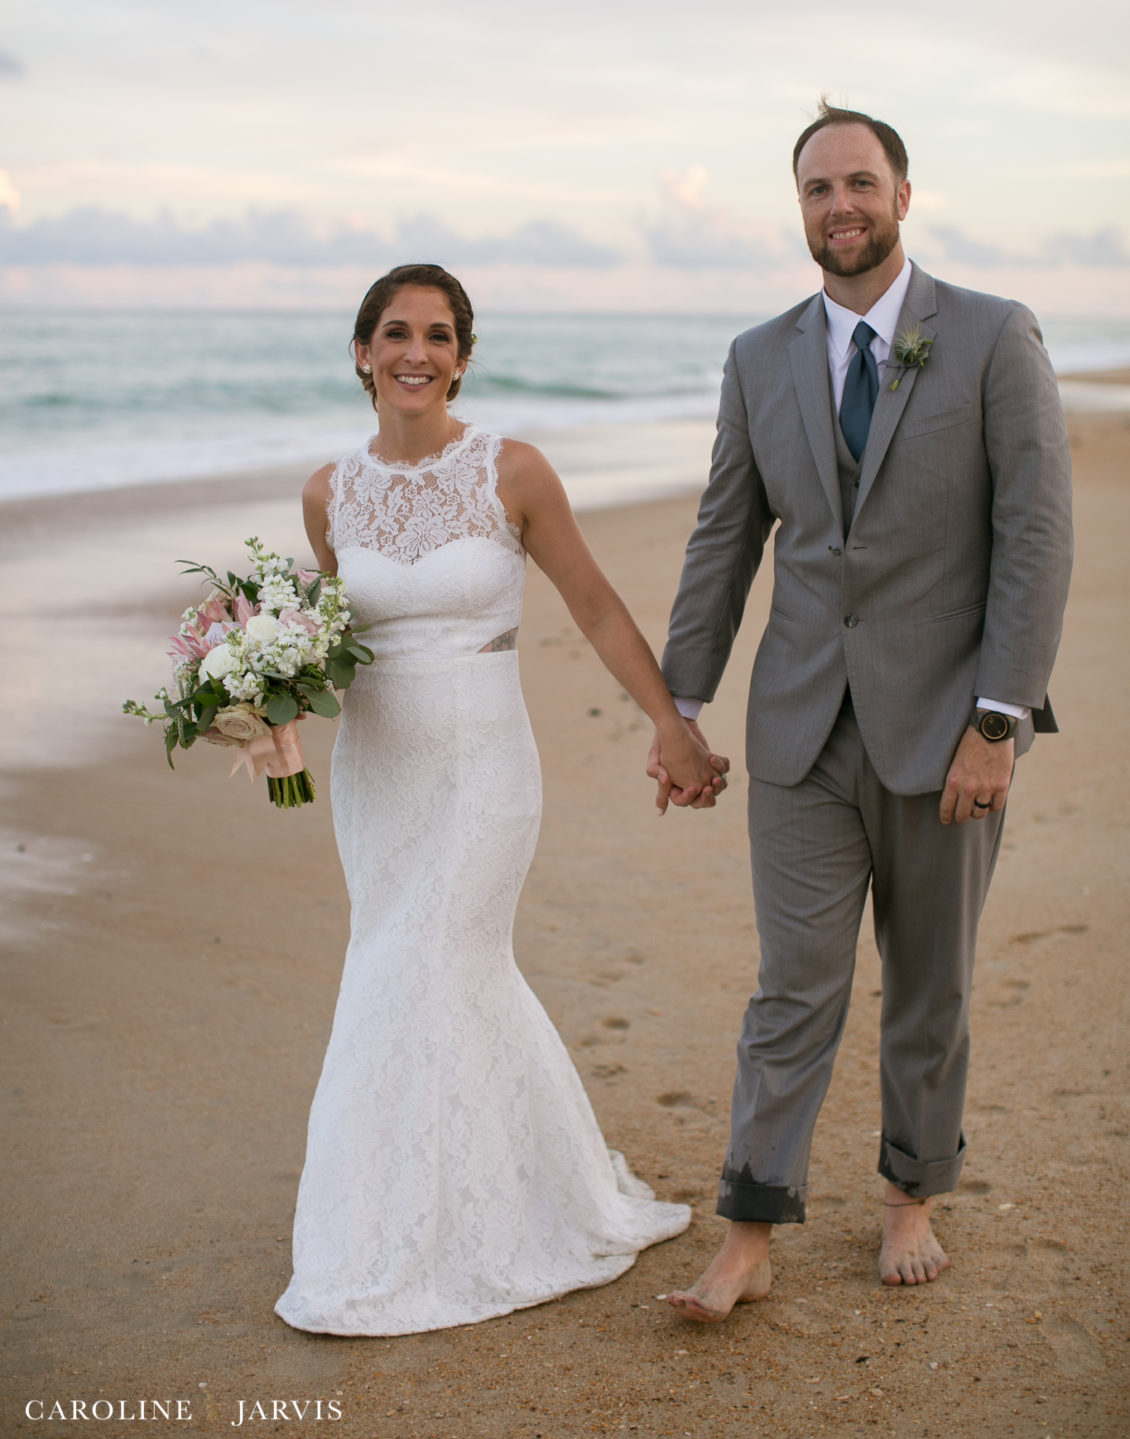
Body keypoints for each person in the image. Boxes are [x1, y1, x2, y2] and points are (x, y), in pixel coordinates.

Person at [652, 102, 1073, 1319]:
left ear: (899, 194)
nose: (838, 206)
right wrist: (682, 705)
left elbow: (1031, 535)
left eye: (858, 182)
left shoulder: (991, 335)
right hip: (797, 726)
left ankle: (907, 1195)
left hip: (947, 730)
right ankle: (749, 1223)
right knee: (792, 985)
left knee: (927, 982)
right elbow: (725, 535)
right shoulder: (755, 354)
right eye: (815, 189)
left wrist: (998, 725)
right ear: (798, 210)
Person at [275, 262, 725, 1336]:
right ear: (359, 353)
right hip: (376, 773)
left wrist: (669, 722)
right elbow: (325, 647)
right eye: (393, 332)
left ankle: (441, 1226)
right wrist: (257, 694)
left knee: (431, 960)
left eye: (436, 335)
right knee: (411, 969)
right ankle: (472, 1195)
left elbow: (594, 603)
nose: (414, 352)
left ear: (462, 358)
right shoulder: (326, 492)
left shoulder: (513, 470)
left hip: (485, 767)